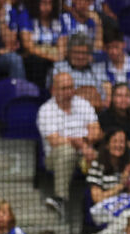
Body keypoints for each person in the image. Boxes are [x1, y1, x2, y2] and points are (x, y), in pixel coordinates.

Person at [36, 71, 101, 215]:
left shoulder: (83, 104)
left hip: (85, 151)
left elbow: (96, 131)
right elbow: (54, 140)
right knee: (67, 150)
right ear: (54, 90)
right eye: (64, 88)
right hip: (56, 156)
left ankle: (103, 200)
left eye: (71, 87)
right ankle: (60, 198)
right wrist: (78, 143)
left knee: (105, 157)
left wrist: (84, 143)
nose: (69, 92)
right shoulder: (46, 110)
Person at [86, 127, 130, 234]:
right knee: (127, 218)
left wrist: (128, 180)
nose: (119, 145)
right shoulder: (97, 165)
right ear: (107, 145)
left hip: (128, 206)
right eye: (115, 141)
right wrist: (121, 185)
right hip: (106, 209)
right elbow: (97, 198)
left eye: (122, 142)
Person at [18, 0, 65, 90]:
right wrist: (50, 55)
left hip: (54, 57)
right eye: (43, 3)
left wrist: (58, 55)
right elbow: (28, 47)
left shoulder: (59, 19)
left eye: (49, 3)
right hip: (34, 59)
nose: (46, 7)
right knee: (38, 62)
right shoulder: (26, 16)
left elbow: (63, 45)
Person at [52, 33, 102, 110]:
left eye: (83, 53)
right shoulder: (59, 68)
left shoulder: (97, 69)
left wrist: (77, 93)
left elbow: (103, 100)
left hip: (96, 112)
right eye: (76, 52)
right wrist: (90, 93)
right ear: (69, 53)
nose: (80, 57)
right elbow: (58, 96)